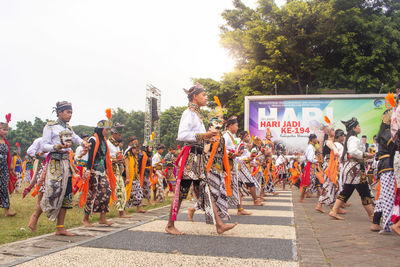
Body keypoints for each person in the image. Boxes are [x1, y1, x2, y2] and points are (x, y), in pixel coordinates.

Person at [165, 83, 237, 235]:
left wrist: (207, 140)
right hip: (190, 157)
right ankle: (170, 225)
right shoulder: (188, 113)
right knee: (183, 191)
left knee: (206, 190)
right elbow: (182, 135)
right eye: (203, 95)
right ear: (195, 97)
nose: (206, 98)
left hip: (198, 157)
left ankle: (219, 225)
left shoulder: (197, 115)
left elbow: (198, 138)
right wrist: (204, 136)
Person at [40, 101, 89, 236]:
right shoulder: (50, 127)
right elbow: (44, 146)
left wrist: (84, 143)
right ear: (60, 112)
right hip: (55, 162)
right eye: (68, 112)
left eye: (71, 112)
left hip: (66, 163)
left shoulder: (68, 128)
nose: (70, 115)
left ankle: (60, 227)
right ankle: (35, 216)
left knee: (67, 194)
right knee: (51, 191)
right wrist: (57, 147)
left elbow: (77, 139)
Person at [329, 117, 375, 220]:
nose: (359, 127)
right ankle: (372, 215)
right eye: (358, 126)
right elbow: (353, 151)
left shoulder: (349, 139)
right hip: (355, 169)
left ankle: (334, 210)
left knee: (347, 190)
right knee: (364, 192)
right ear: (354, 128)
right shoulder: (353, 139)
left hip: (352, 168)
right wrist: (365, 155)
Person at [81, 115, 117, 227]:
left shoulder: (104, 141)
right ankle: (85, 218)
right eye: (106, 129)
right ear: (101, 129)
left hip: (102, 171)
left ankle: (102, 218)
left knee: (107, 191)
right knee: (93, 193)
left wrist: (107, 170)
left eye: (108, 130)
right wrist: (88, 170)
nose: (108, 132)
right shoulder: (93, 139)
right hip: (93, 171)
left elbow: (105, 157)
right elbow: (91, 156)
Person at [371, 110, 397, 232]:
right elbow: (394, 149)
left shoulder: (385, 133)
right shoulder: (388, 134)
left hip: (385, 166)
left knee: (383, 196)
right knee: (389, 196)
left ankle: (377, 222)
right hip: (388, 166)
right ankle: (389, 223)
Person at [223, 116, 251, 215]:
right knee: (224, 188)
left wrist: (236, 155)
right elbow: (221, 149)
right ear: (230, 126)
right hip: (227, 166)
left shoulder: (231, 136)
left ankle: (240, 209)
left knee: (237, 187)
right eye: (236, 125)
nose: (237, 127)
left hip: (232, 165)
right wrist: (233, 154)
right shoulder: (226, 136)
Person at [25, 137, 49, 231]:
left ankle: (60, 226)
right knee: (42, 194)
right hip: (44, 167)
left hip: (58, 167)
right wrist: (37, 154)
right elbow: (30, 150)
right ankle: (34, 218)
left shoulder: (60, 140)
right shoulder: (40, 140)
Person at [107, 123, 129, 218]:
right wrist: (114, 160)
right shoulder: (108, 143)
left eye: (120, 134)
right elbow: (105, 157)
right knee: (119, 190)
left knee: (121, 190)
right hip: (110, 170)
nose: (120, 136)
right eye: (119, 134)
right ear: (113, 133)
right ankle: (121, 212)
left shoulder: (116, 145)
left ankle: (122, 211)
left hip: (117, 170)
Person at [0, 113, 17, 217]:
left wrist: (11, 168)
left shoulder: (6, 142)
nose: (5, 131)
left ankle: (7, 211)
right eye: (3, 129)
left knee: (4, 187)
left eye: (6, 130)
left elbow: (8, 156)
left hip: (4, 169)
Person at [124, 136, 146, 213]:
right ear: (132, 149)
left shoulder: (134, 156)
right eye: (136, 150)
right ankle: (124, 209)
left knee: (139, 191)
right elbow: (127, 167)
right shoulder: (127, 155)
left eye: (138, 150)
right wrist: (127, 178)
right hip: (130, 177)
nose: (137, 152)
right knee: (129, 193)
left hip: (135, 176)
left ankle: (139, 208)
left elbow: (136, 167)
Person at [299, 134, 319, 202]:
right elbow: (310, 158)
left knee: (309, 181)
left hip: (310, 165)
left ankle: (303, 196)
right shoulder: (311, 147)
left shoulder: (310, 146)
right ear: (313, 139)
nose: (316, 140)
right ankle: (301, 198)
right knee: (307, 181)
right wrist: (316, 161)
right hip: (310, 166)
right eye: (316, 139)